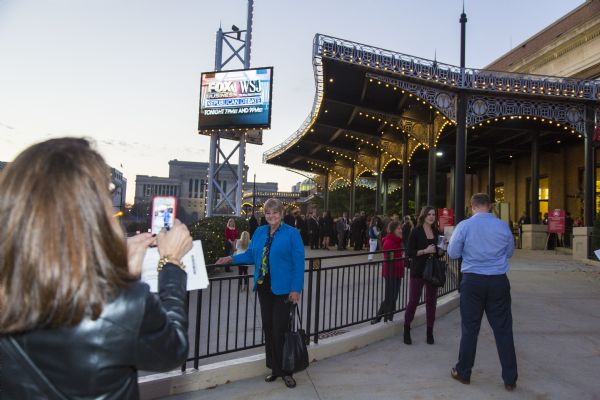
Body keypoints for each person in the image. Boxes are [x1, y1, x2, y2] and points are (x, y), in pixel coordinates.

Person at [0, 138, 192, 399]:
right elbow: (173, 350)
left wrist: (123, 276)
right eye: (107, 191)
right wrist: (171, 264)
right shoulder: (118, 303)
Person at [216, 198, 305, 389]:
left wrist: (296, 289)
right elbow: (251, 255)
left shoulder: (292, 234)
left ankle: (287, 371)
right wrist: (231, 258)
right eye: (268, 213)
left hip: (283, 290)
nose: (271, 216)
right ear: (264, 214)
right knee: (268, 328)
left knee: (280, 328)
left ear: (281, 214)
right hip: (264, 288)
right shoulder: (260, 232)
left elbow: (298, 263)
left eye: (275, 212)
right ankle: (275, 368)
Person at [447, 193, 517, 392]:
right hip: (498, 280)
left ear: (472, 206)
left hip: (473, 280)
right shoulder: (503, 226)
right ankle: (510, 378)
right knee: (503, 329)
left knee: (470, 328)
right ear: (490, 206)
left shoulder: (465, 226)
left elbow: (453, 253)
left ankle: (463, 372)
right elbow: (510, 252)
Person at [404, 206, 443, 345]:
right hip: (418, 270)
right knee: (413, 301)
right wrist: (425, 251)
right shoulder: (416, 231)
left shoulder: (436, 231)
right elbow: (409, 252)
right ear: (423, 216)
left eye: (433, 214)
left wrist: (441, 251)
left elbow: (439, 252)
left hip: (432, 271)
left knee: (431, 302)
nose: (432, 217)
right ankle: (407, 328)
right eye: (429, 214)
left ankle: (429, 332)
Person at [372, 221, 405, 324]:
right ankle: (384, 317)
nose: (400, 230)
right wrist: (402, 259)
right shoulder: (389, 242)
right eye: (398, 229)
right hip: (391, 273)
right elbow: (390, 260)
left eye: (401, 228)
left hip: (397, 272)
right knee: (390, 297)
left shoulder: (398, 241)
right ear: (393, 230)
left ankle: (386, 317)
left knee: (393, 297)